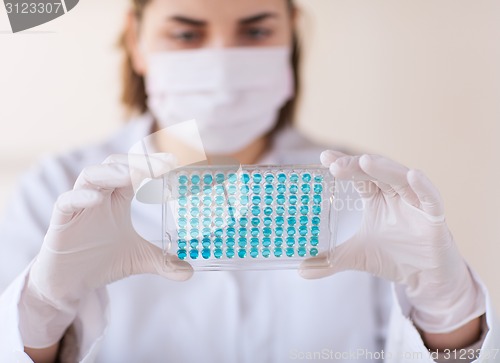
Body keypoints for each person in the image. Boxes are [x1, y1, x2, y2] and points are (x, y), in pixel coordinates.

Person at [0, 0, 498, 362]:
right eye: (187, 35)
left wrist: (448, 311)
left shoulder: (364, 188)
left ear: (292, 34)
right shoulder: (58, 191)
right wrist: (43, 305)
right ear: (137, 40)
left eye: (255, 32)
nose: (221, 67)